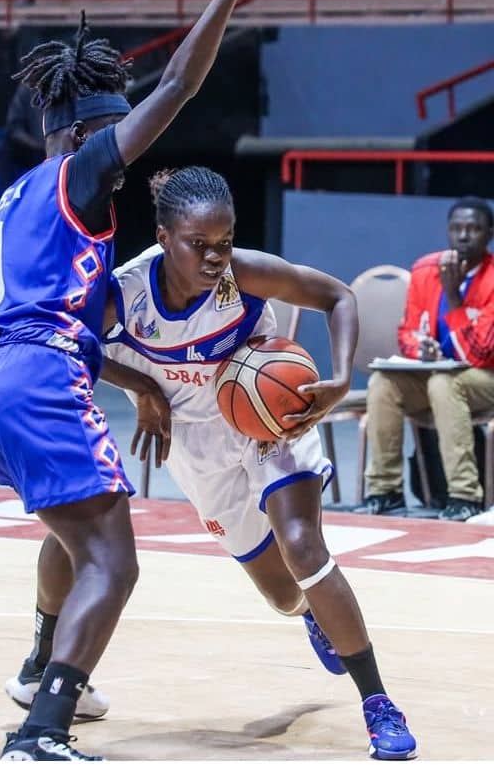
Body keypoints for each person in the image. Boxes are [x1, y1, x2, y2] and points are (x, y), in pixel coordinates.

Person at [0, 0, 262, 760]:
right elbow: (178, 83)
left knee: (73, 527)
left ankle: (40, 665)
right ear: (91, 129)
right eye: (117, 133)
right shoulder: (83, 171)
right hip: (38, 377)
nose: (128, 153)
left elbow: (71, 325)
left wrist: (139, 384)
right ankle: (41, 731)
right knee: (114, 559)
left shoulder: (18, 193)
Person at [100, 166, 417, 761]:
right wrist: (143, 388)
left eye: (224, 242)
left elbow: (338, 297)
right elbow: (70, 342)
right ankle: (311, 612)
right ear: (164, 237)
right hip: (196, 443)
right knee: (283, 594)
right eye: (199, 245)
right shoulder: (125, 292)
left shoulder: (242, 274)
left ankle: (378, 703)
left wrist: (339, 377)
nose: (215, 258)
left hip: (270, 419)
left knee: (303, 546)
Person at [361, 197, 494, 522]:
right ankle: (385, 491)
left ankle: (464, 496)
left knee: (444, 384)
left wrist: (453, 297)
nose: (464, 236)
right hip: (440, 376)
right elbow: (407, 331)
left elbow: (480, 352)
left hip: (485, 377)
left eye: (474, 229)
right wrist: (421, 348)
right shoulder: (425, 270)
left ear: (489, 234)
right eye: (457, 228)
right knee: (383, 383)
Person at [0, 83, 45, 195]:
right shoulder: (27, 87)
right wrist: (37, 145)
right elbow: (14, 128)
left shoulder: (70, 83)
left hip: (66, 148)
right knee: (2, 149)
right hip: (37, 149)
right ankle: (7, 198)